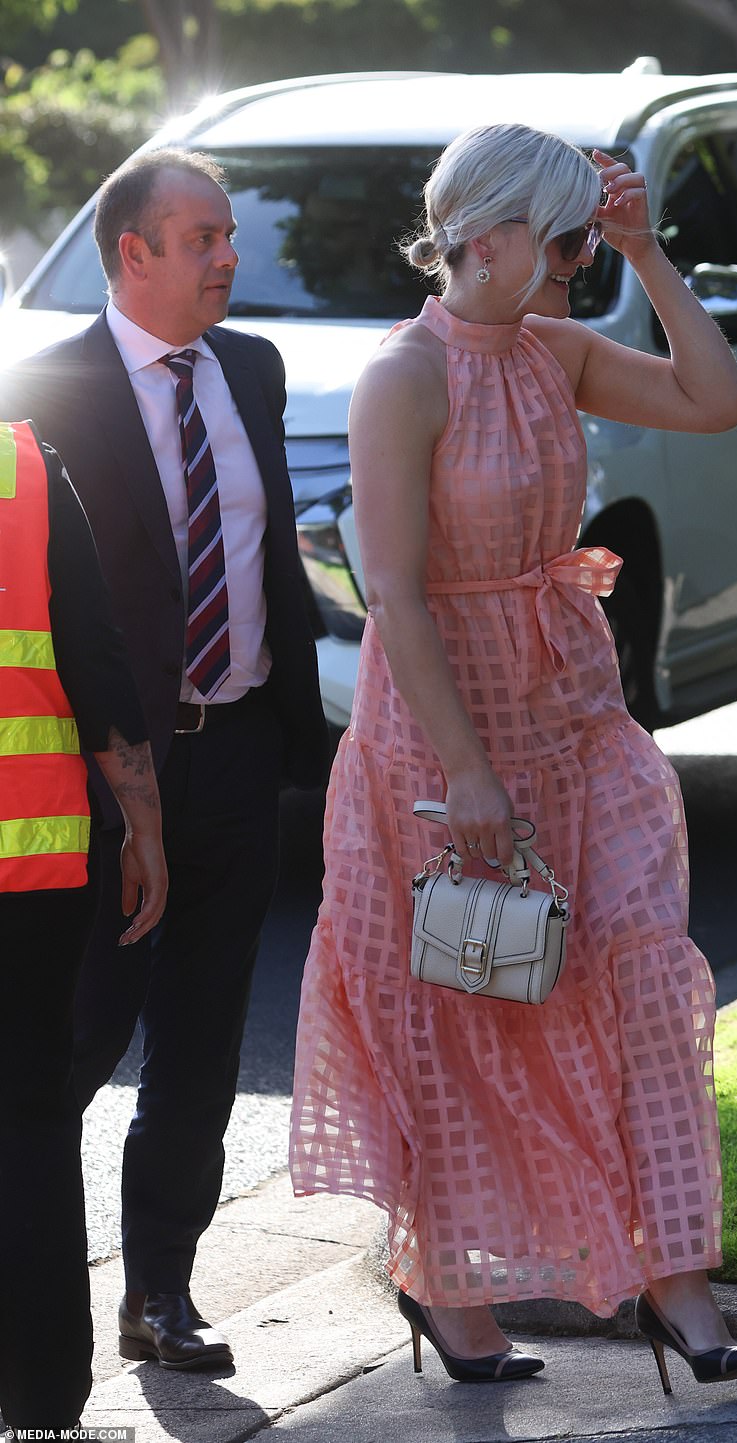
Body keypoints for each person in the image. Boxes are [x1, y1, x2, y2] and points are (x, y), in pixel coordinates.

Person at [290, 122, 737, 1393]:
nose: (571, 263)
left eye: (577, 239)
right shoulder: (408, 375)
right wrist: (469, 777)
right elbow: (390, 590)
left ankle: (675, 1283)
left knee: (637, 978)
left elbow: (713, 399)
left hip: (573, 711)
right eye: (561, 241)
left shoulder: (553, 348)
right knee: (466, 1019)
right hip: (444, 735)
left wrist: (642, 250)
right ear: (484, 238)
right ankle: (449, 1293)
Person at [0, 148, 328, 1370]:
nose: (226, 257)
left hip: (235, 752)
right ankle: (28, 1305)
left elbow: (263, 556)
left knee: (200, 1048)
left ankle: (159, 1298)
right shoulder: (46, 388)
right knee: (77, 1041)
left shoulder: (254, 367)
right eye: (200, 238)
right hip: (100, 778)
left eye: (228, 236)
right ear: (130, 251)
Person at [0, 419, 167, 1436]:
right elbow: (94, 652)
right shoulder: (21, 466)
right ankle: (44, 1398)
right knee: (26, 1116)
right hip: (31, 858)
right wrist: (141, 821)